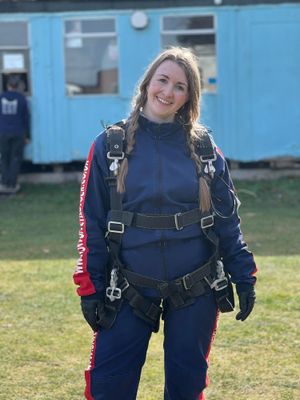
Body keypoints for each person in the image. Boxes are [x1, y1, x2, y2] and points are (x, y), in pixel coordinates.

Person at [73, 47, 257, 400]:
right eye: (163, 80)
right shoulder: (109, 147)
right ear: (147, 84)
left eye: (180, 86)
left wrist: (243, 275)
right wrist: (90, 287)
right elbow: (91, 224)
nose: (168, 92)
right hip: (126, 288)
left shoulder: (204, 150)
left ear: (189, 97)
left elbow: (227, 221)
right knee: (108, 387)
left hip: (196, 287)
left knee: (187, 387)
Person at [0, 74, 30, 194]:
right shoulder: (22, 99)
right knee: (15, 158)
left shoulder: (1, 97)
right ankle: (12, 184)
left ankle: (4, 183)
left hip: (3, 133)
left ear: (7, 86)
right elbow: (26, 119)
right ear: (17, 86)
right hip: (18, 133)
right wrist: (27, 136)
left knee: (4, 158)